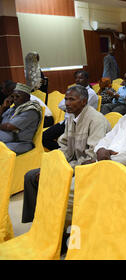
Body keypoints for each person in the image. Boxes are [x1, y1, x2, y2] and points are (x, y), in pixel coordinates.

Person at [22, 85, 111, 224]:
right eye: (66, 99)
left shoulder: (96, 120)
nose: (67, 103)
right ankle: (39, 220)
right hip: (71, 164)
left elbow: (91, 158)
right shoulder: (72, 117)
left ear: (84, 101)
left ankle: (59, 225)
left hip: (87, 168)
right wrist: (55, 165)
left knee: (52, 178)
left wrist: (63, 169)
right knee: (31, 176)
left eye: (72, 99)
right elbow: (63, 145)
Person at [43, 70, 98, 150]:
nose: (77, 80)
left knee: (50, 137)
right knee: (44, 137)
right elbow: (61, 105)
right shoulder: (73, 91)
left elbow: (81, 110)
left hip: (79, 123)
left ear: (87, 79)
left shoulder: (91, 94)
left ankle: (66, 154)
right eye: (76, 78)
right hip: (67, 121)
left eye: (80, 78)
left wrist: (70, 108)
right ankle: (62, 152)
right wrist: (72, 107)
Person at [0, 83, 42, 155]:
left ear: (27, 97)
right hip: (4, 141)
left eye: (17, 96)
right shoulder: (15, 108)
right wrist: (4, 108)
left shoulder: (30, 111)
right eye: (13, 96)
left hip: (18, 144)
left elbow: (9, 126)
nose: (15, 99)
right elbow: (1, 119)